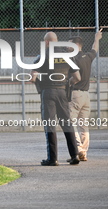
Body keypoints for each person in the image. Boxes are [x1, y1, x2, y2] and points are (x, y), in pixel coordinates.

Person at [31, 32, 81, 166]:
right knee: (67, 123)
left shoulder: (42, 56)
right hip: (63, 92)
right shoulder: (67, 55)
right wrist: (67, 83)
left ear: (47, 42)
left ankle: (53, 159)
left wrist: (39, 80)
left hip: (48, 93)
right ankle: (75, 155)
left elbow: (33, 77)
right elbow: (77, 78)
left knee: (49, 124)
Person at [67, 29, 103, 162]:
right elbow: (95, 49)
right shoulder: (87, 57)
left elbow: (76, 78)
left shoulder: (72, 58)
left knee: (70, 122)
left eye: (69, 45)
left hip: (75, 94)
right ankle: (84, 152)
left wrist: (68, 83)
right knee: (83, 124)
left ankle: (79, 149)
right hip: (86, 95)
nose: (67, 47)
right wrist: (97, 38)